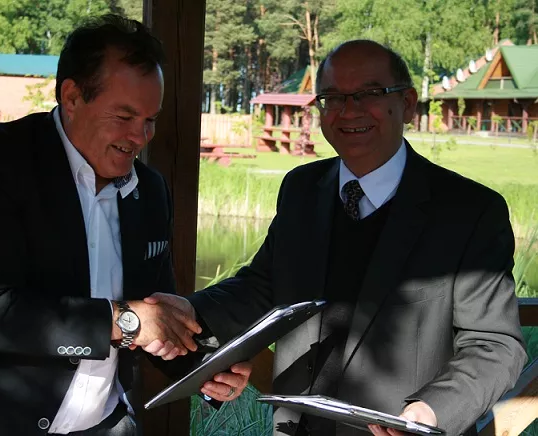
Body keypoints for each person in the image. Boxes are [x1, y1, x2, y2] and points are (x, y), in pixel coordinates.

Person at [0, 15, 251, 436]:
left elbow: (156, 315)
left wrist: (204, 366)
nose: (140, 136)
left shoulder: (150, 191)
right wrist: (126, 320)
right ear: (72, 97)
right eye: (124, 116)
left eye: (150, 120)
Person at [150, 40, 527, 436]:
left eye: (369, 93)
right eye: (332, 98)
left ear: (408, 104)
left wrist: (431, 412)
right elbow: (261, 286)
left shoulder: (470, 212)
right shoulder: (302, 188)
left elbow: (494, 346)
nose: (349, 110)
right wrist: (188, 313)